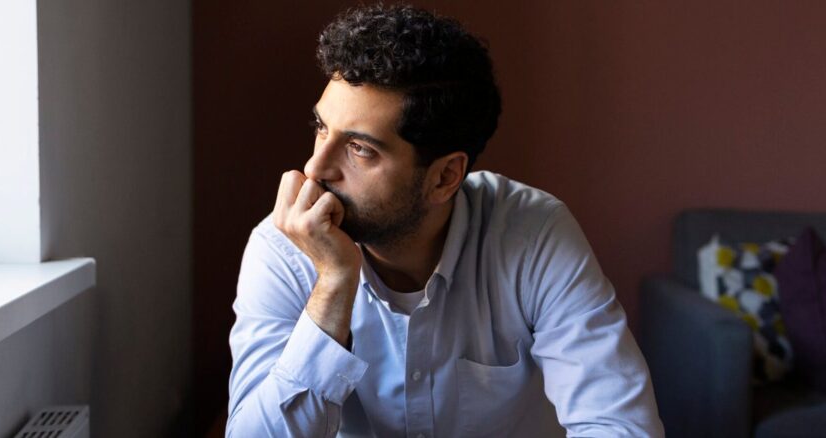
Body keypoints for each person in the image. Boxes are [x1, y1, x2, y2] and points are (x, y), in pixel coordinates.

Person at [226, 4, 663, 437]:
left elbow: (621, 427)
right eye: (321, 127)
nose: (315, 167)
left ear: (445, 177)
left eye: (360, 149)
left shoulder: (534, 236)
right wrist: (334, 285)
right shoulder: (282, 248)